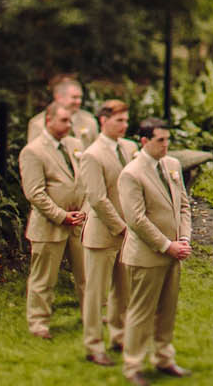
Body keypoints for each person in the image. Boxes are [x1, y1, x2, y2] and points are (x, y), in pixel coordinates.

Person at [115, 118, 193, 386]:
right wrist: (166, 245)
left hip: (174, 251)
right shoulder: (131, 174)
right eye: (160, 140)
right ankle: (133, 365)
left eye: (167, 139)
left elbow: (183, 205)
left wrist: (183, 238)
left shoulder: (172, 165)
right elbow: (136, 220)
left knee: (167, 309)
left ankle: (163, 357)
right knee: (141, 311)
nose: (166, 145)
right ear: (144, 141)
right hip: (147, 256)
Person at [19, 101, 89, 341]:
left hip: (78, 222)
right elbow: (34, 193)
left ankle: (90, 315)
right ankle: (39, 322)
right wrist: (61, 216)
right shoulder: (33, 151)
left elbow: (86, 180)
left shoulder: (75, 145)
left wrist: (84, 210)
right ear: (48, 120)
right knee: (44, 278)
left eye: (70, 121)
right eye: (63, 120)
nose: (68, 125)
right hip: (49, 225)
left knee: (86, 274)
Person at [76, 99, 137, 364]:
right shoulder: (92, 154)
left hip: (130, 232)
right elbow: (97, 198)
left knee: (124, 290)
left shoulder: (130, 147)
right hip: (103, 234)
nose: (124, 126)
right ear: (103, 121)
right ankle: (93, 345)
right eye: (118, 121)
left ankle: (120, 336)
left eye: (126, 120)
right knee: (96, 293)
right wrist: (122, 228)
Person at [25, 73, 98, 153]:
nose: (79, 101)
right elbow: (34, 153)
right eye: (74, 97)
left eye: (80, 97)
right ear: (58, 97)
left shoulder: (89, 121)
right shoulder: (38, 123)